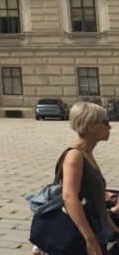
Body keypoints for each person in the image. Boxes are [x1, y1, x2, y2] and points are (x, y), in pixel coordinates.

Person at [54, 101, 119, 255]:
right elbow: (69, 197)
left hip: (97, 228)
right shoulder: (75, 155)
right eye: (105, 122)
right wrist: (90, 240)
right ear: (90, 126)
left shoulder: (87, 154)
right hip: (82, 237)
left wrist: (113, 229)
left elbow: (95, 200)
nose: (110, 127)